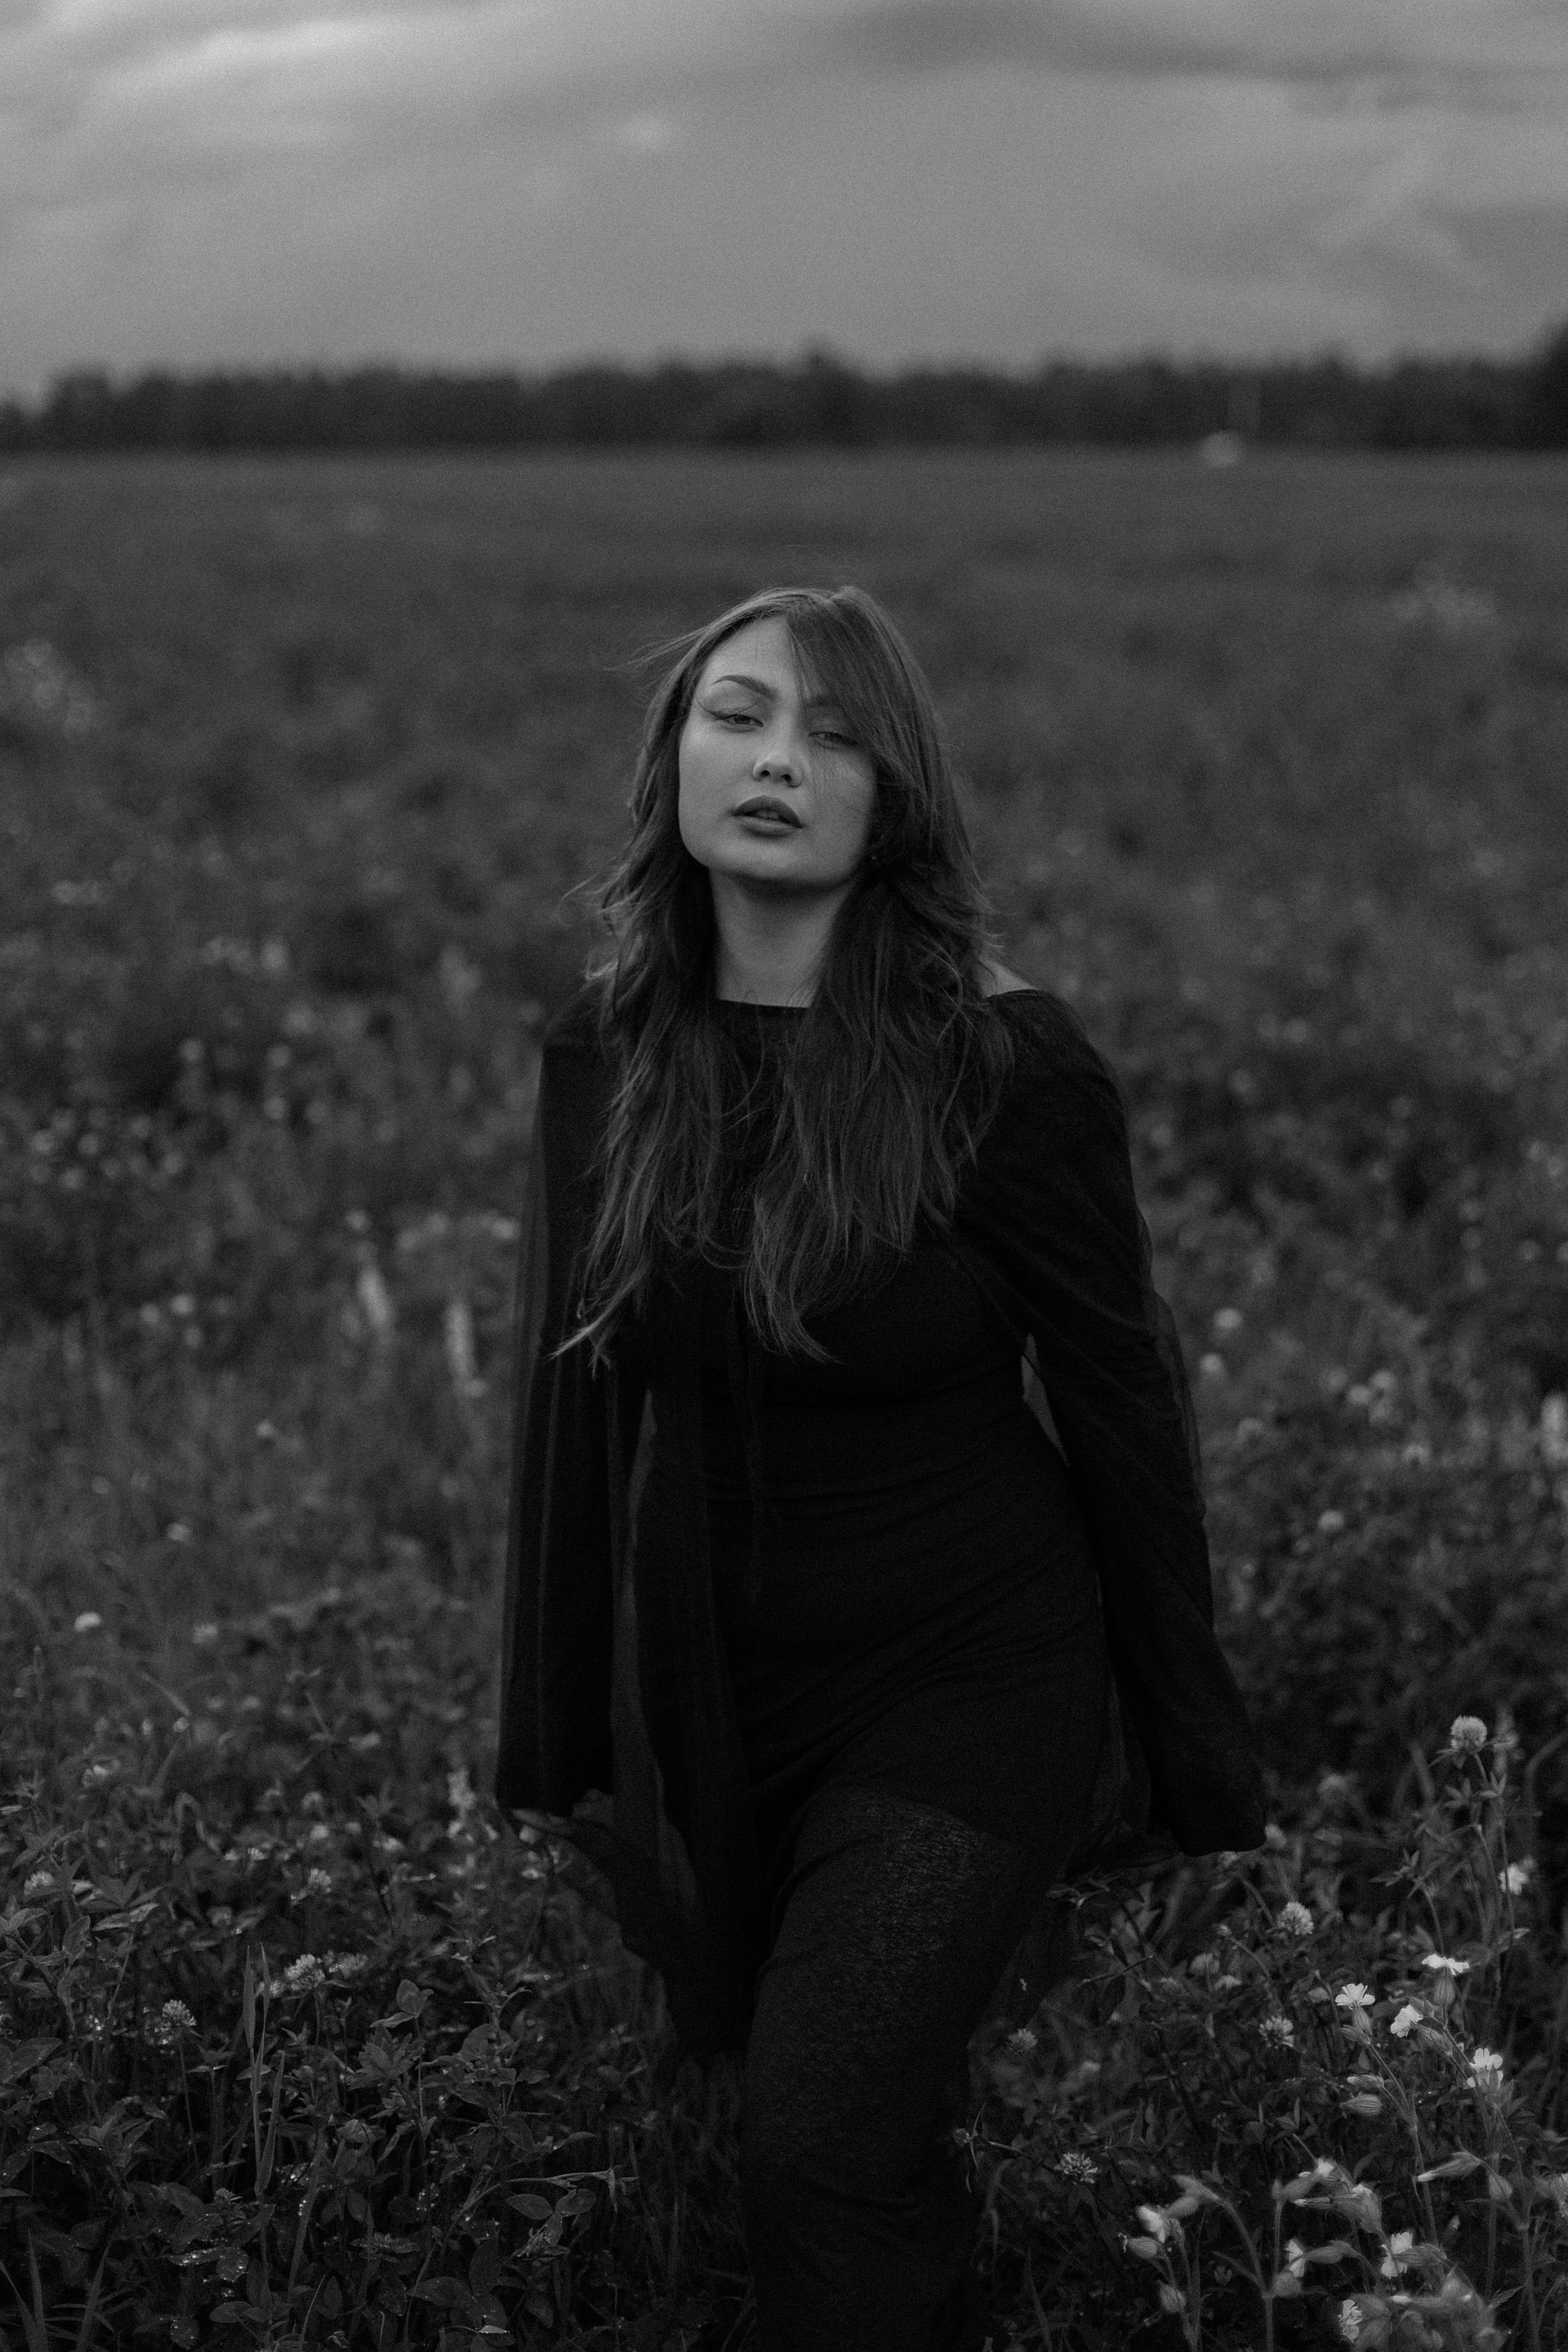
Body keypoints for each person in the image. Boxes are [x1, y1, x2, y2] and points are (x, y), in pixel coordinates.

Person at [496, 585, 1266, 2350]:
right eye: (739, 715)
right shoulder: (604, 1044)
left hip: (968, 1675)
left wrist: (1194, 1747)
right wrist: (555, 1731)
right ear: (674, 758)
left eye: (834, 735)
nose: (778, 761)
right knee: (810, 2116)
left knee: (818, 2143)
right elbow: (577, 1400)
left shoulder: (1003, 1063)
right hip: (718, 1687)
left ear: (893, 796)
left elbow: (1123, 1403)